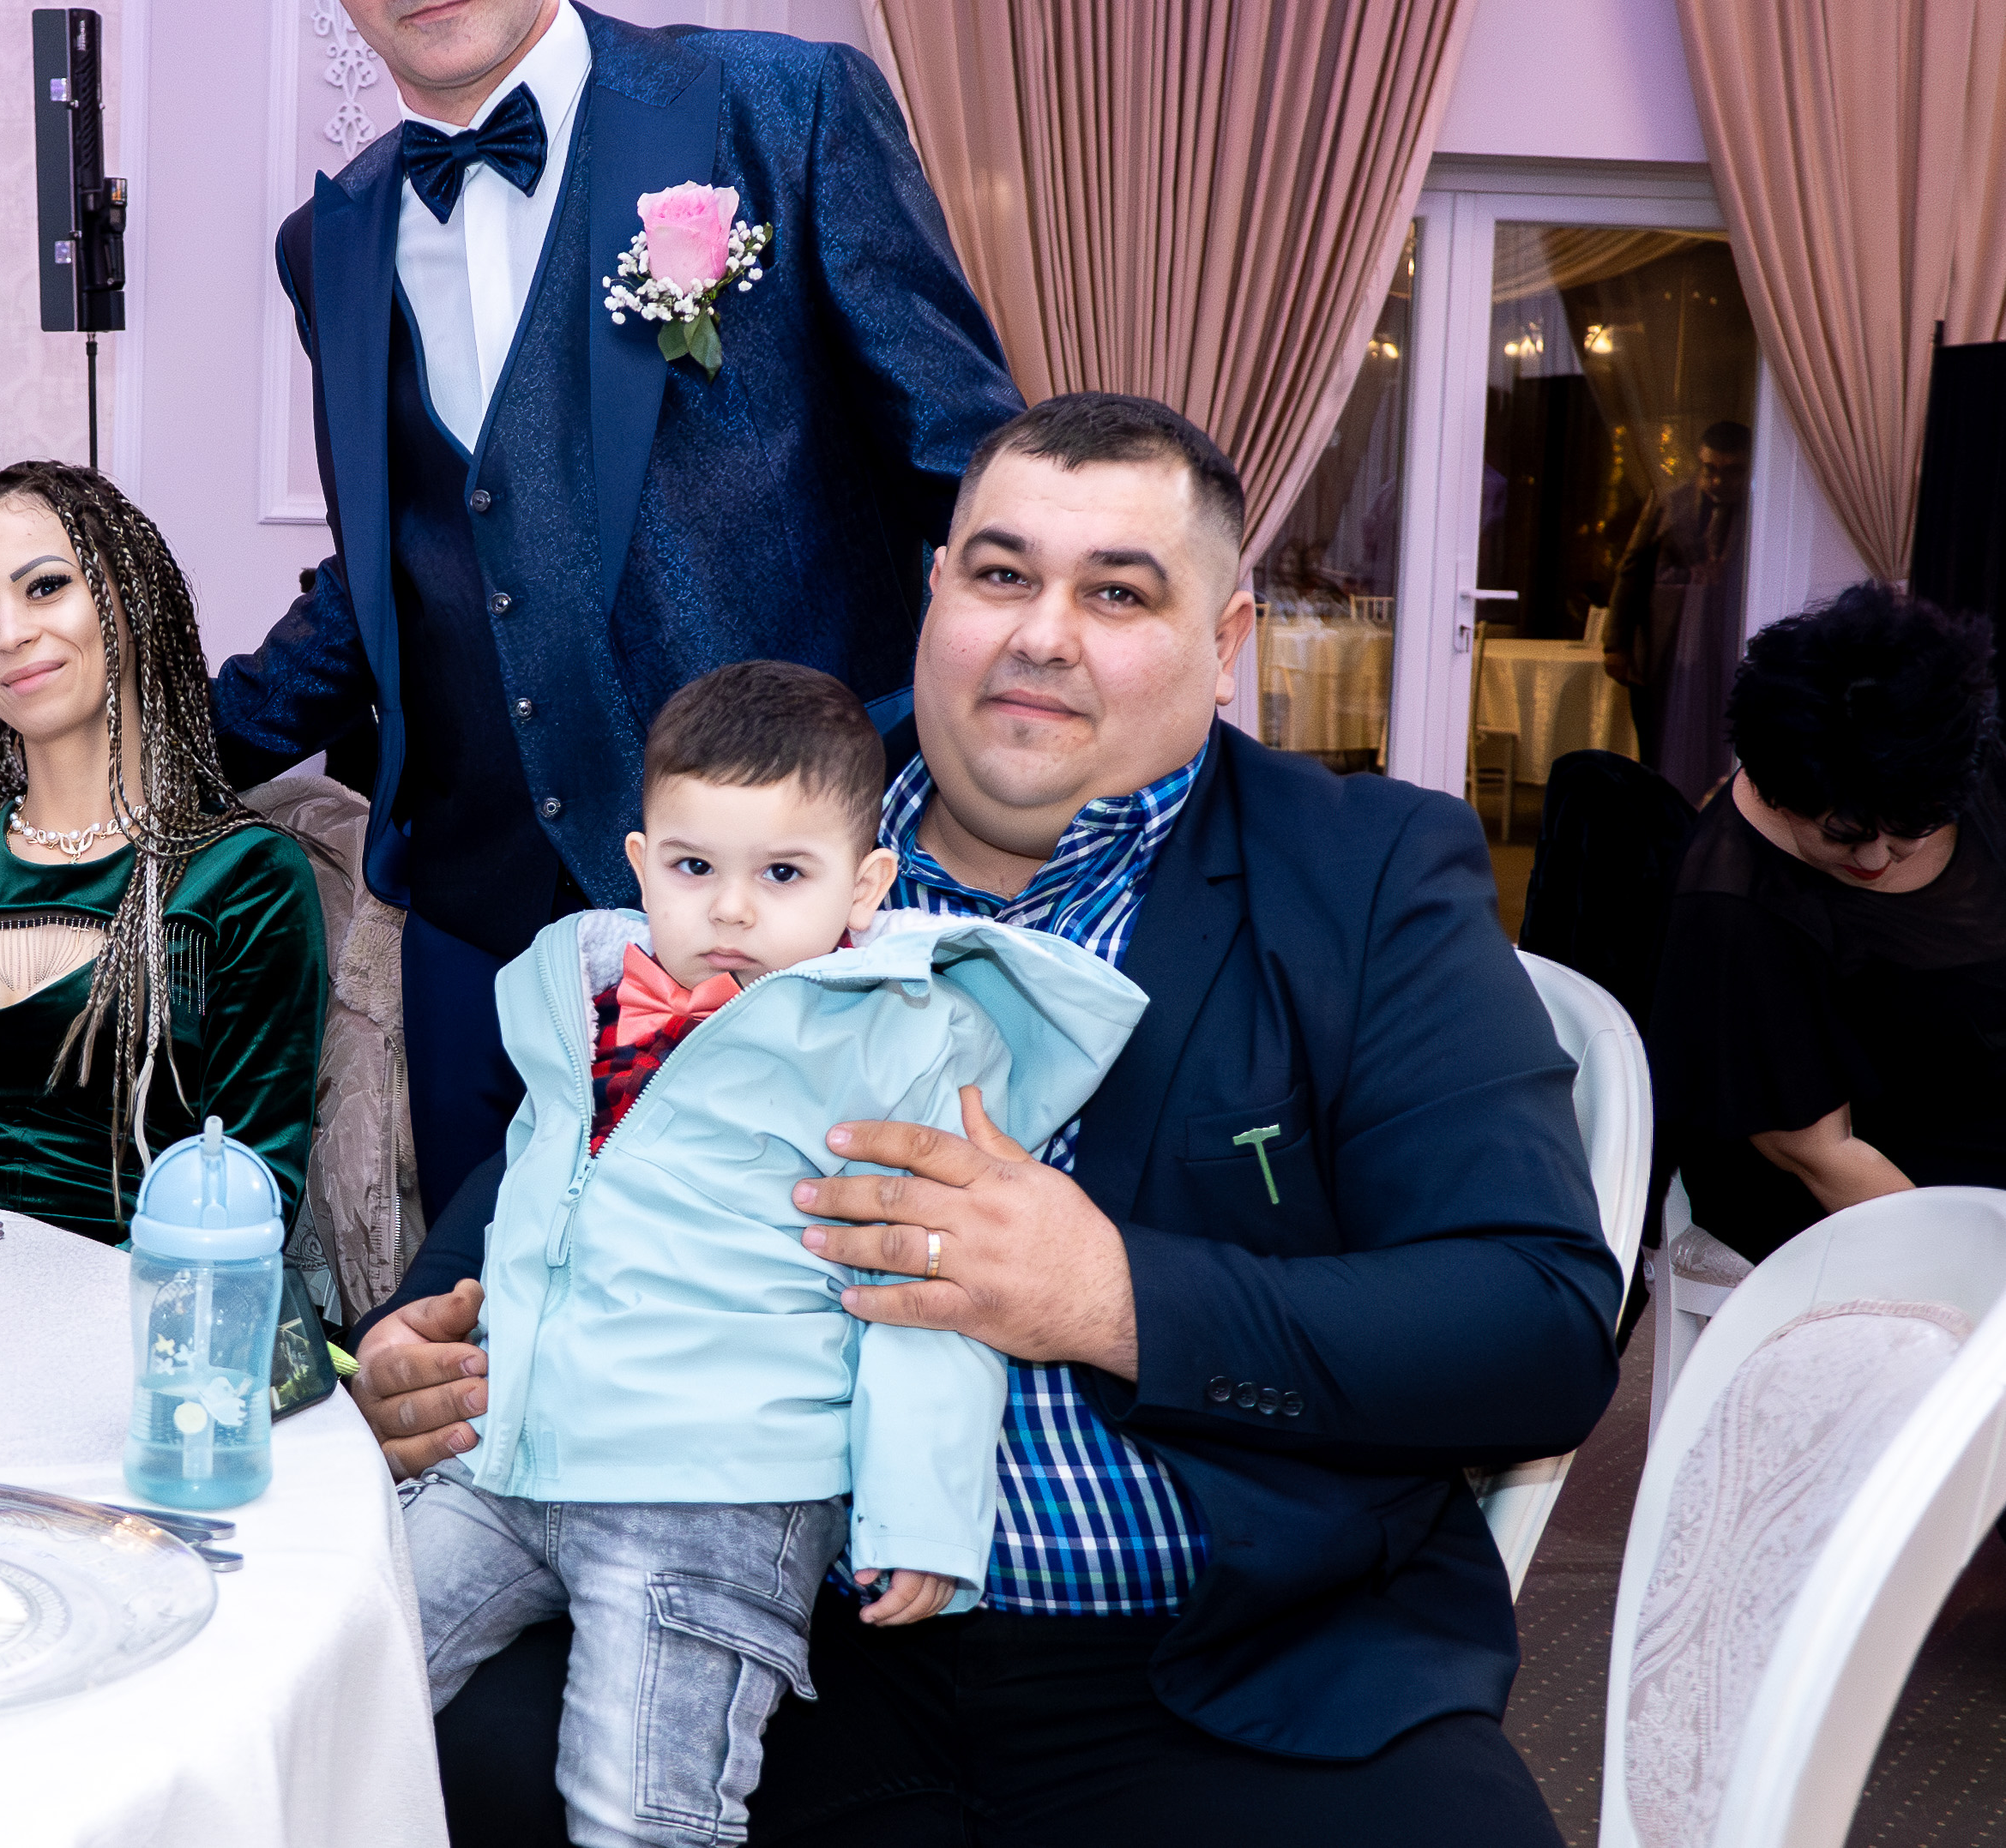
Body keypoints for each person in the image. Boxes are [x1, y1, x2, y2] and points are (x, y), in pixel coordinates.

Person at [355, 394, 1620, 1844]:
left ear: (1224, 644)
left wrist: (1111, 1296)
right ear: (936, 589)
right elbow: (558, 1150)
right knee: (390, 1755)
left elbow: (1531, 1323)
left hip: (1232, 1669)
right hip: (768, 1624)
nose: (1041, 633)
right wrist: (416, 1352)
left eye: (1118, 592)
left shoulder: (1366, 875)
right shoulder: (765, 827)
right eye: (1003, 572)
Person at [208, 0, 1021, 1231]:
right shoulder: (328, 240)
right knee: (478, 1327)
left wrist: (984, 795)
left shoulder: (779, 111)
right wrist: (158, 752)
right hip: (477, 936)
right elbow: (405, 565)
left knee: (786, 1319)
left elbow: (978, 491)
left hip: (776, 921)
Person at [409, 660, 1145, 1848]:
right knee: (339, 1661)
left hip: (713, 1496)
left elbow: (929, 1288)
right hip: (512, 1459)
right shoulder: (577, 996)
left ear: (865, 886)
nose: (732, 911)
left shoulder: (893, 1039)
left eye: (783, 874)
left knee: (638, 1807)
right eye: (695, 868)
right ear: (641, 862)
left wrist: (921, 1515)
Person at [0, 463, 324, 1244]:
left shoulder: (243, 877)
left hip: (136, 1296)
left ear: (130, 597)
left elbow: (252, 1189)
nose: (9, 634)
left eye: (44, 587)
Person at [1647, 582, 2002, 1265]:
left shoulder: (1949, 763)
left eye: (1908, 830)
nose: (1874, 859)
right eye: (1841, 834)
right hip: (1868, 1183)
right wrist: (1974, 1270)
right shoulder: (1733, 909)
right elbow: (1823, 1155)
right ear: (1780, 790)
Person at [1600, 418, 1751, 795]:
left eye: (1731, 471)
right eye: (1709, 469)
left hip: (1725, 653)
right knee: (1656, 752)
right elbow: (1633, 570)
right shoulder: (1672, 502)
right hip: (1663, 651)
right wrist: (1615, 643)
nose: (1717, 481)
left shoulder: (1760, 511)